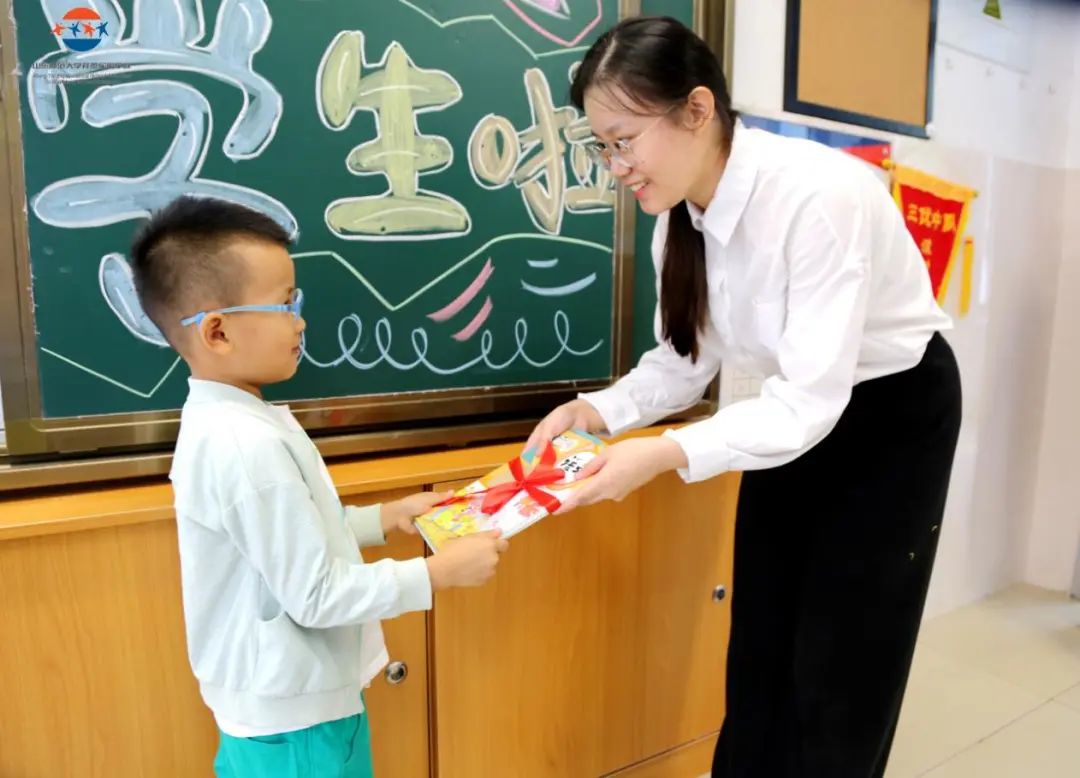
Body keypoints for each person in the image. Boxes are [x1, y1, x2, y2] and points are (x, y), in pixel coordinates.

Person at [525, 16, 962, 778]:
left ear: (697, 108)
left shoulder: (820, 196)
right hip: (791, 413)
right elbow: (685, 359)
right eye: (603, 146)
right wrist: (598, 411)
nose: (615, 166)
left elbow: (811, 402)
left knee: (845, 656)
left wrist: (660, 454)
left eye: (624, 140)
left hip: (891, 416)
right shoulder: (679, 223)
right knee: (761, 634)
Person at [131, 195, 508, 777]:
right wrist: (437, 574)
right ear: (218, 332)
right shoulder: (244, 447)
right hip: (295, 727)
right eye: (285, 304)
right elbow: (315, 596)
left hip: (287, 711)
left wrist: (384, 517)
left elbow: (292, 538)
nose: (300, 320)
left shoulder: (236, 422)